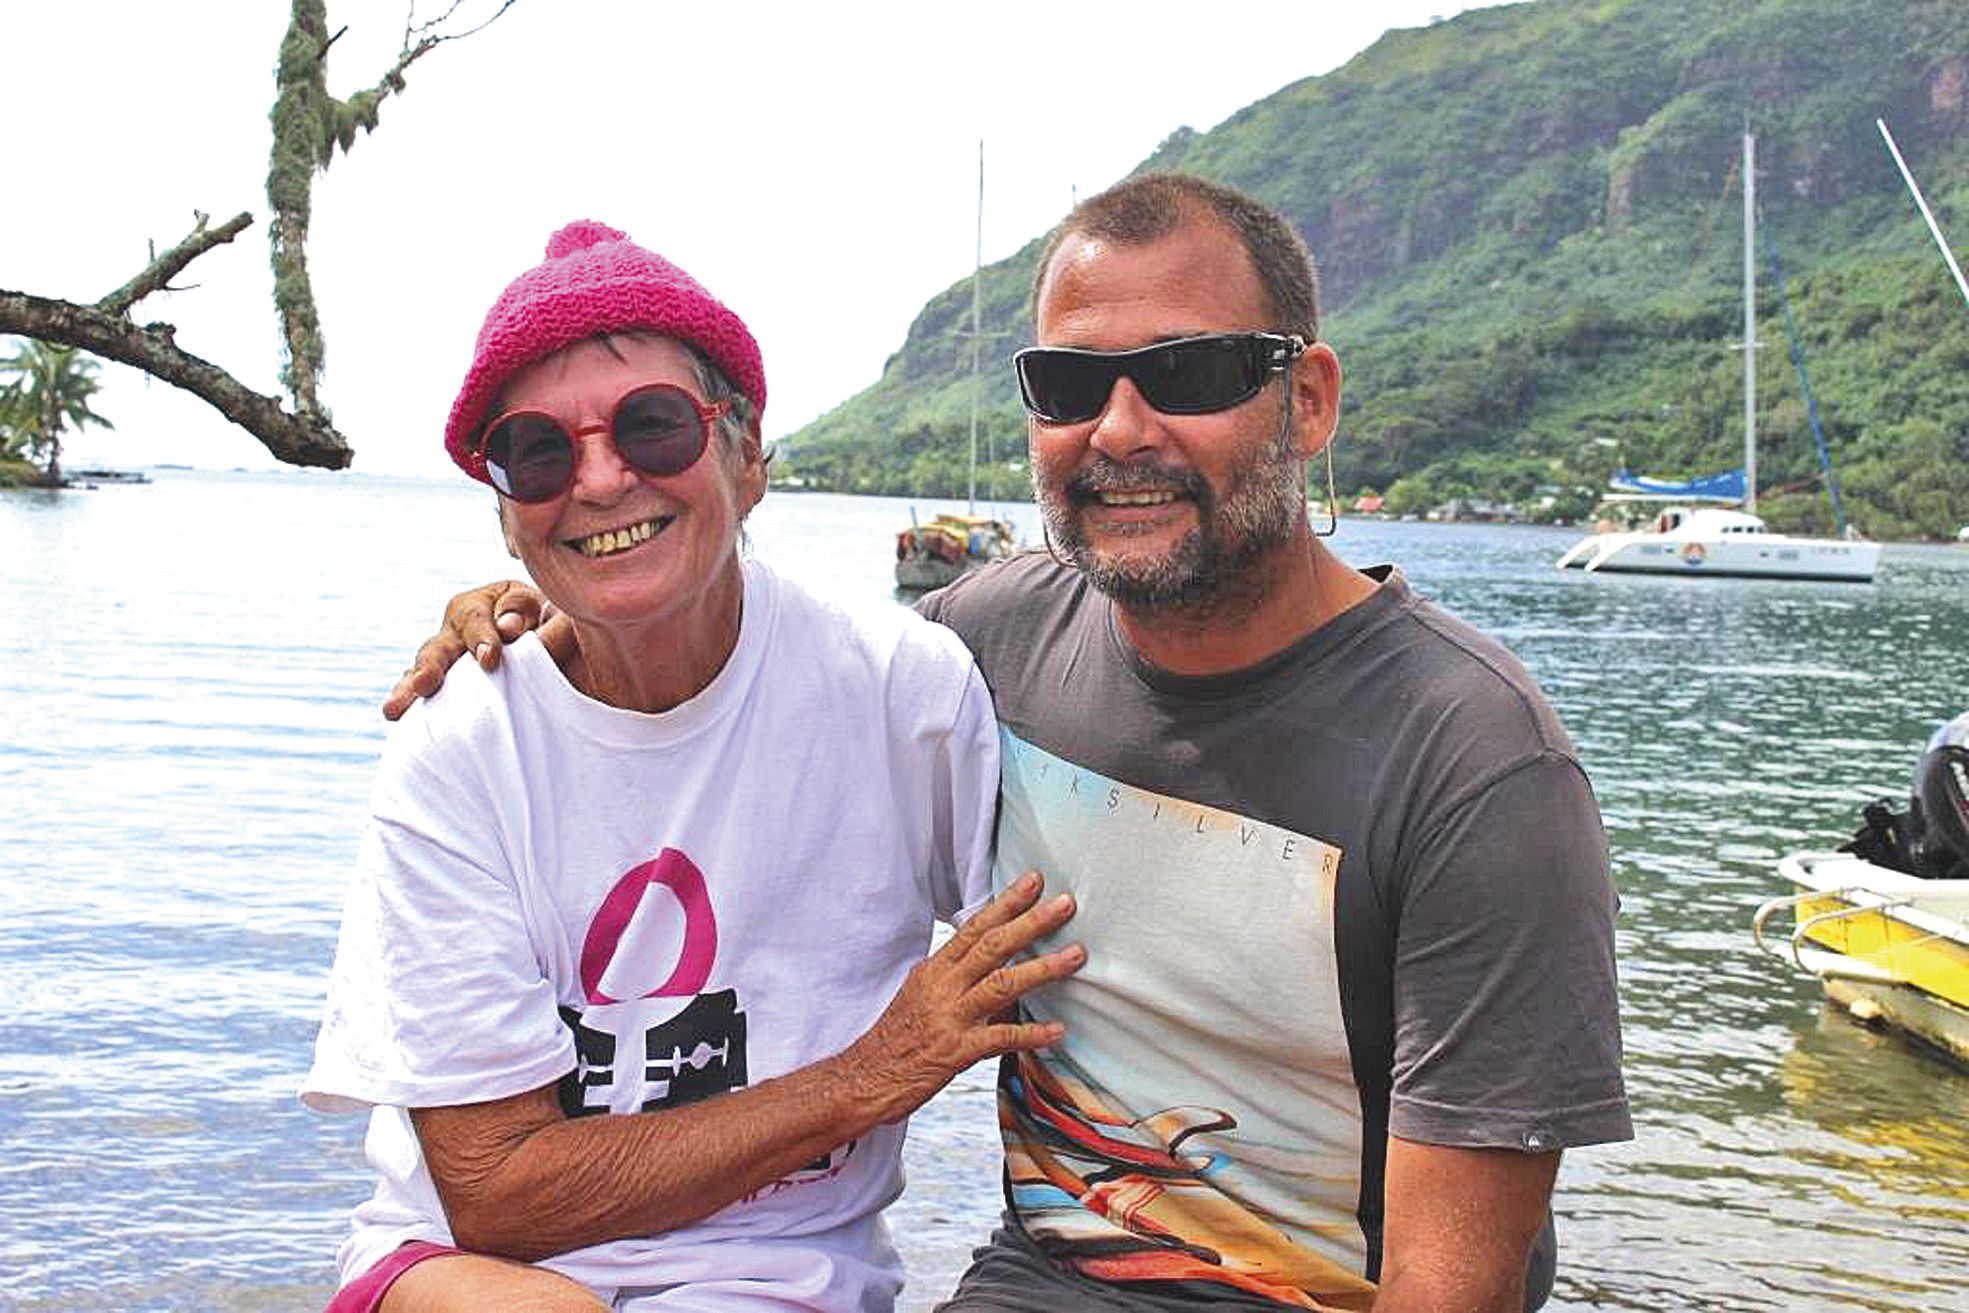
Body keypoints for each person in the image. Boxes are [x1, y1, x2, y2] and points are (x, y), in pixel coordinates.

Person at [394, 176, 1631, 1311]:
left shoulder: (1474, 762)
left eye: (1191, 373)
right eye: (1072, 386)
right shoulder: (985, 650)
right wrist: (557, 622)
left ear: (1305, 401)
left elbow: (1449, 1286)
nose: (1122, 429)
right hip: (1034, 1281)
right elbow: (741, 655)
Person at [303, 220, 1084, 1313]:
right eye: (537, 450)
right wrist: (870, 1073)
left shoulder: (898, 688)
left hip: (775, 1279)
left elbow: (1086, 966)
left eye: (654, 426)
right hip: (475, 1272)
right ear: (507, 513)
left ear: (748, 457)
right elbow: (491, 1193)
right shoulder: (461, 742)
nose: (601, 478)